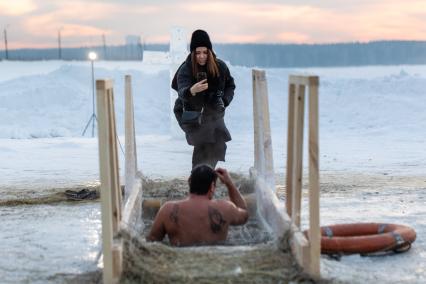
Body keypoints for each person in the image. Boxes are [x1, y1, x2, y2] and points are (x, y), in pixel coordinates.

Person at [172, 29, 236, 169]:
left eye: (205, 52)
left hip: (213, 113)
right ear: (193, 53)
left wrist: (224, 100)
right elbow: (182, 89)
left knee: (217, 145)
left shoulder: (220, 67)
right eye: (198, 53)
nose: (201, 56)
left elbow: (230, 85)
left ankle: (205, 178)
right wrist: (191, 91)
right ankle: (198, 178)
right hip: (192, 114)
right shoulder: (186, 69)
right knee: (202, 145)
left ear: (210, 52)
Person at [146, 165, 248, 246]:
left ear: (189, 182)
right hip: (216, 261)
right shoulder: (226, 208)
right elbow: (245, 214)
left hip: (180, 262)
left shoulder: (167, 209)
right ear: (212, 187)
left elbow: (151, 242)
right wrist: (229, 183)